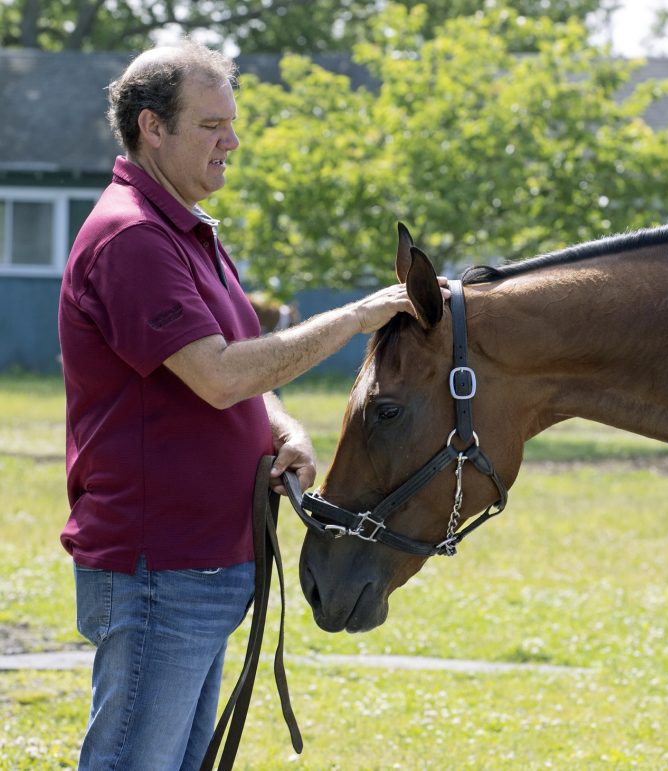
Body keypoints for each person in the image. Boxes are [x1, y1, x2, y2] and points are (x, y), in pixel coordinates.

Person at [57, 39, 446, 770]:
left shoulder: (187, 234)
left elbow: (237, 378)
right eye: (210, 125)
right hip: (159, 568)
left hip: (195, 563)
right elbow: (218, 374)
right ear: (153, 127)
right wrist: (355, 317)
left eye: (230, 123)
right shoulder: (133, 238)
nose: (230, 141)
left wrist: (284, 427)